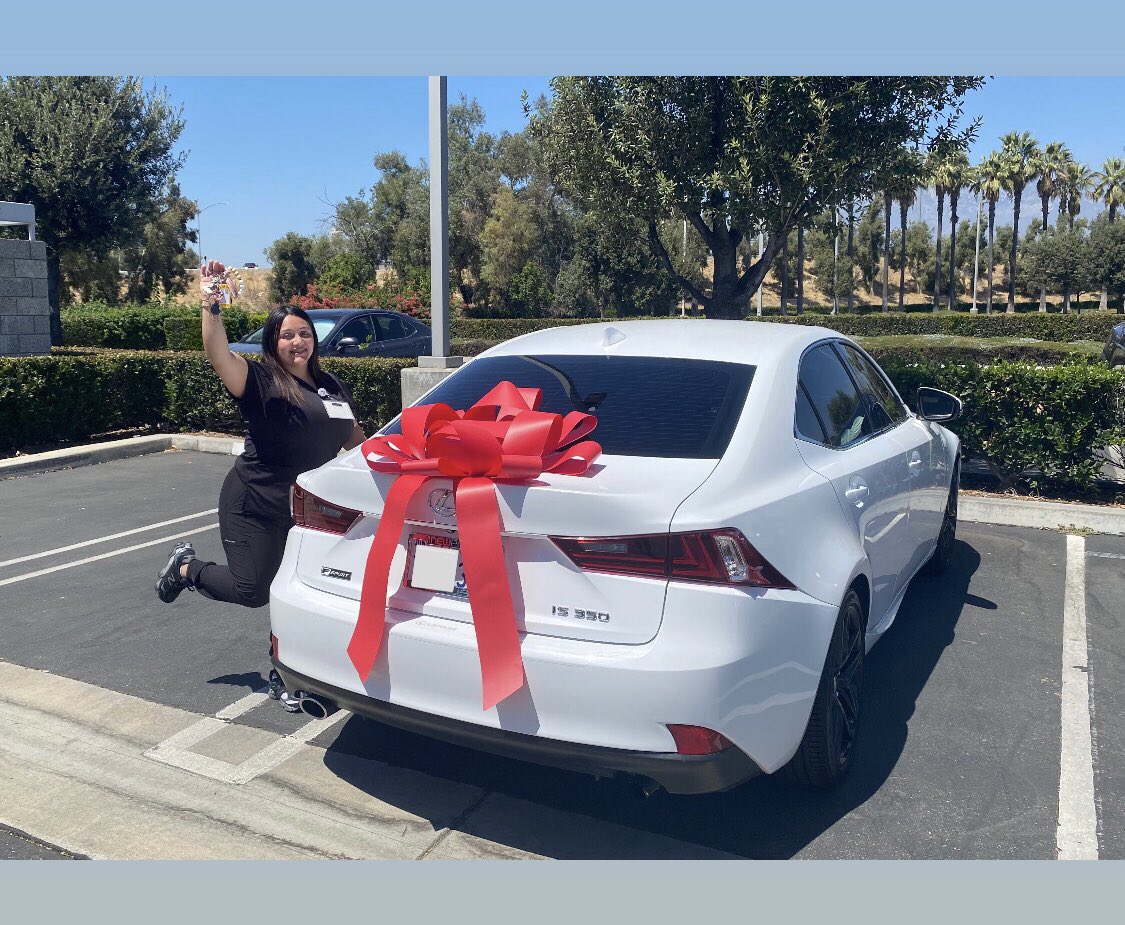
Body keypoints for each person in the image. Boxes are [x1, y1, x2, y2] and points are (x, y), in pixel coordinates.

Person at [155, 261, 366, 700]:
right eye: (286, 335)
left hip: (304, 511)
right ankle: (186, 568)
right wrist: (212, 301)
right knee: (253, 591)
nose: (296, 341)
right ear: (274, 343)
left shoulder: (331, 387)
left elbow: (357, 442)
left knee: (299, 594)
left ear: (314, 338)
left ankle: (285, 673)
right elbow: (217, 352)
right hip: (252, 503)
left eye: (303, 333)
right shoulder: (262, 380)